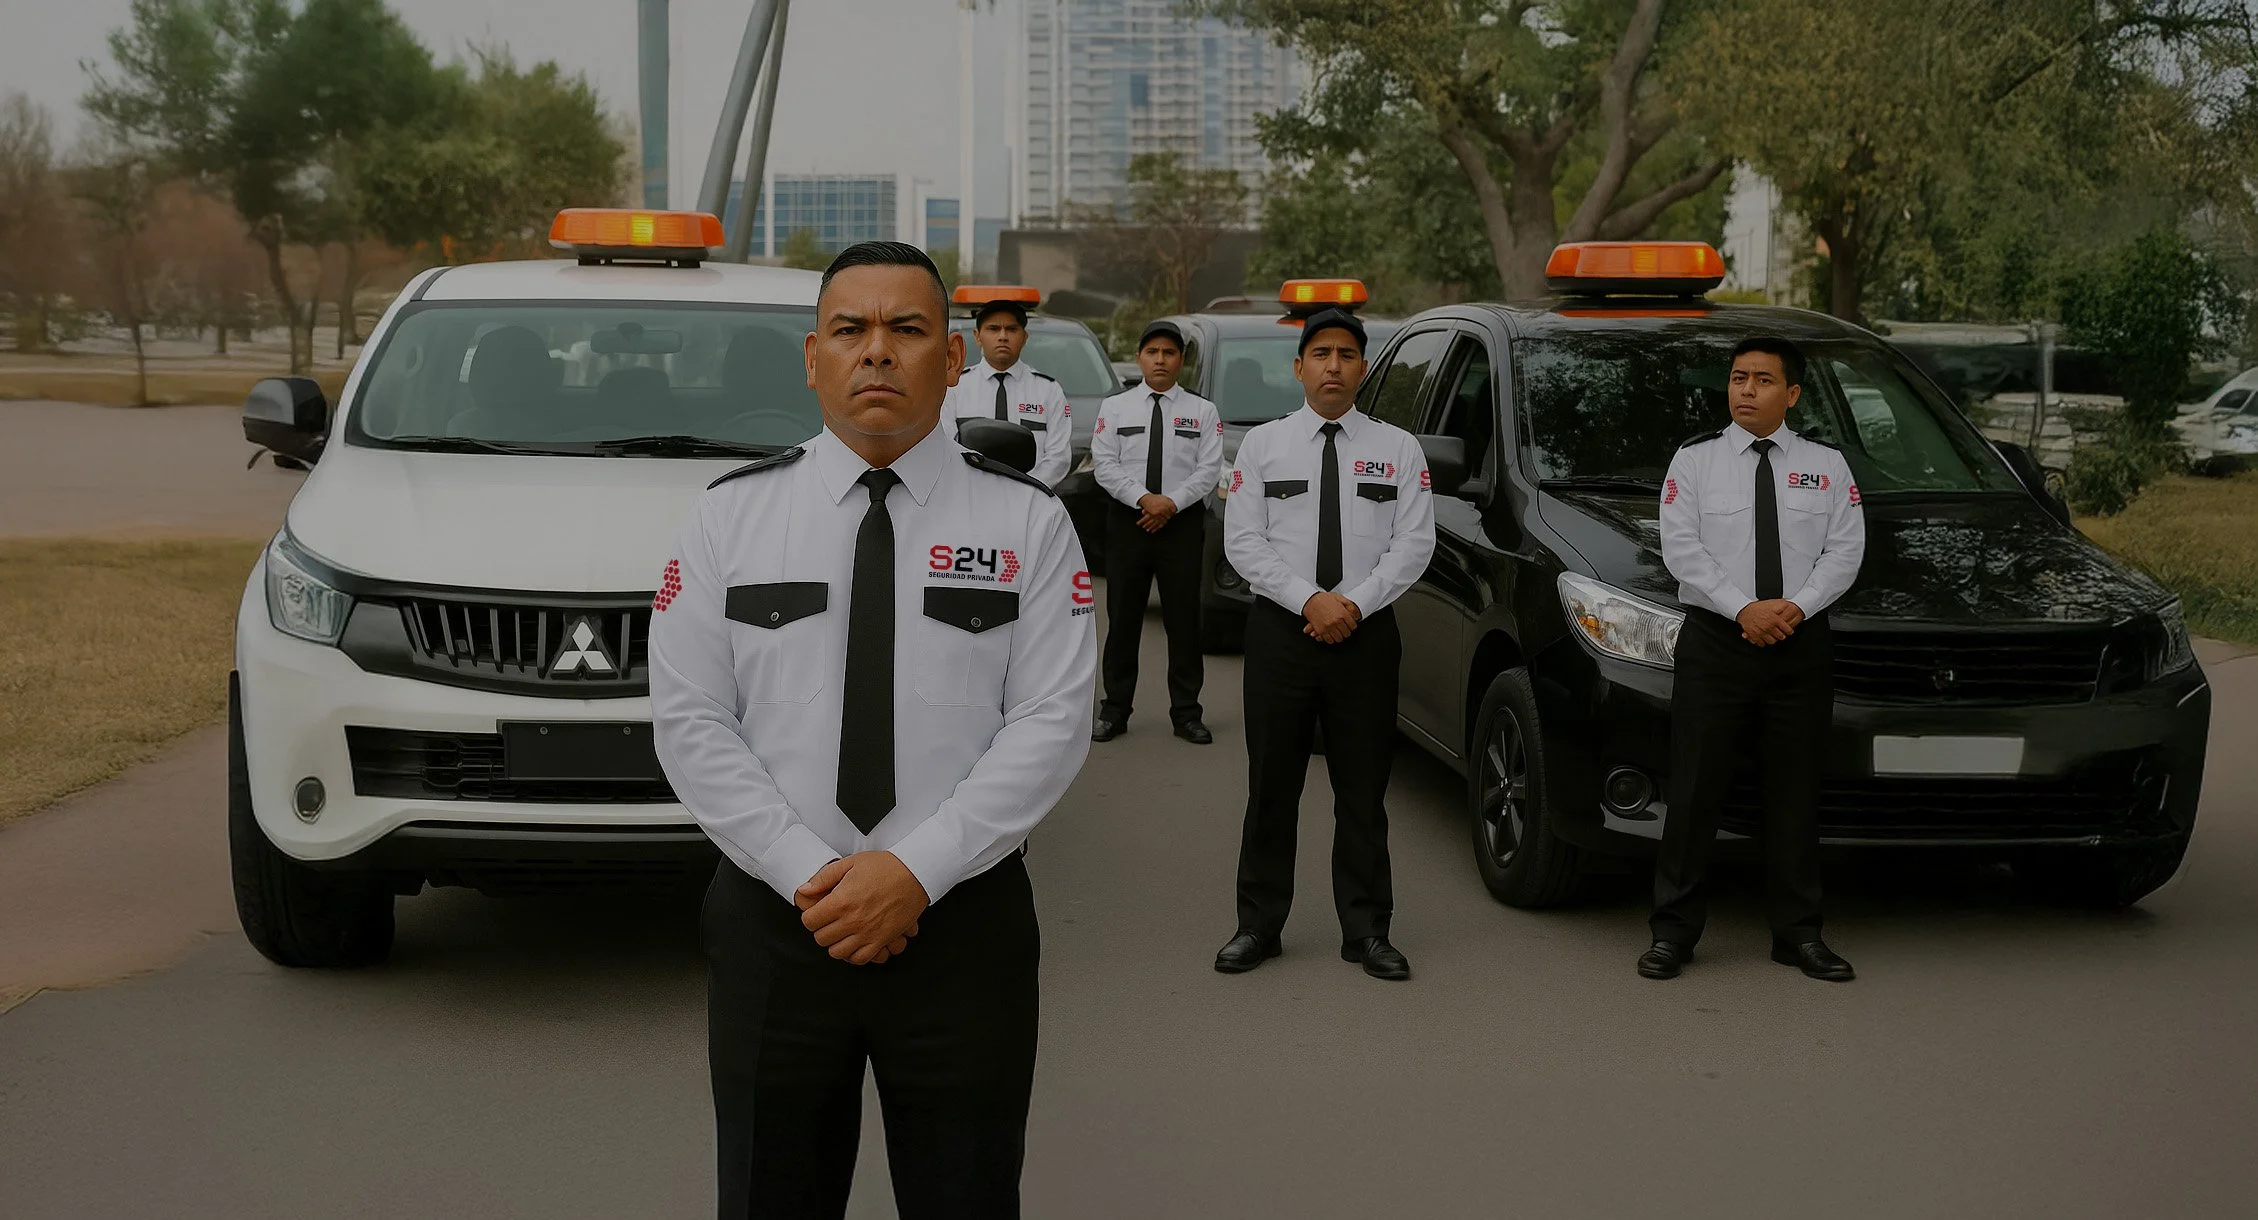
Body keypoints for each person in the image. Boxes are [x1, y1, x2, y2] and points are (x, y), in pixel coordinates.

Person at [649, 241, 1097, 1218]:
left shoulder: (1026, 523)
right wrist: (808, 872)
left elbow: (1051, 719)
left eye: (908, 329)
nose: (878, 351)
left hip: (961, 925)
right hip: (779, 922)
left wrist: (915, 872)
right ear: (813, 358)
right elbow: (690, 718)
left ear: (952, 357)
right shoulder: (729, 518)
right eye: (850, 329)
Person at [1214, 308, 1436, 981]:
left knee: (1363, 791)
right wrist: (1310, 601)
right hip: (1282, 634)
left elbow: (1414, 542)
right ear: (1299, 367)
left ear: (1363, 368)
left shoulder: (1399, 449)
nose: (1333, 365)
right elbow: (1243, 540)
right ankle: (1257, 925)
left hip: (1366, 636)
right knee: (1271, 786)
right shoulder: (1263, 446)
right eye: (1320, 354)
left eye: (1346, 354)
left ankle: (1367, 931)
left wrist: (1353, 605)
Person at [1640, 336, 1866, 983]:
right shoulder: (1696, 462)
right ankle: (1673, 933)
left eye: (1763, 380)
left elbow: (1845, 551)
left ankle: (1799, 935)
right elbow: (1682, 550)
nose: (1746, 390)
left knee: (1794, 793)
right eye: (1739, 377)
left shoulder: (1826, 466)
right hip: (1717, 642)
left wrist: (1795, 608)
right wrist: (1744, 609)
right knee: (1695, 791)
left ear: (1791, 394)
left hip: (1799, 643)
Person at [1088, 320, 1224, 745]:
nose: (1160, 360)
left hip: (1180, 526)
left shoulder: (1202, 412)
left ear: (1181, 360)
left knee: (1184, 623)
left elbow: (1209, 469)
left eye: (1169, 353)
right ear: (1140, 357)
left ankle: (1187, 714)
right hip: (1129, 523)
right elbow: (1104, 464)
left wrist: (1170, 504)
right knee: (1123, 620)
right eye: (1152, 352)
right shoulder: (1116, 408)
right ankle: (1115, 710)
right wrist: (1145, 500)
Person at [940, 294, 1074, 486]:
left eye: (1011, 329)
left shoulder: (1048, 391)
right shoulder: (955, 387)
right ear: (977, 336)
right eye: (993, 329)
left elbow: (1058, 457)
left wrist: (1024, 489)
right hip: (970, 491)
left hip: (1031, 496)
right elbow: (945, 446)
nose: (1003, 336)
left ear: (1024, 337)